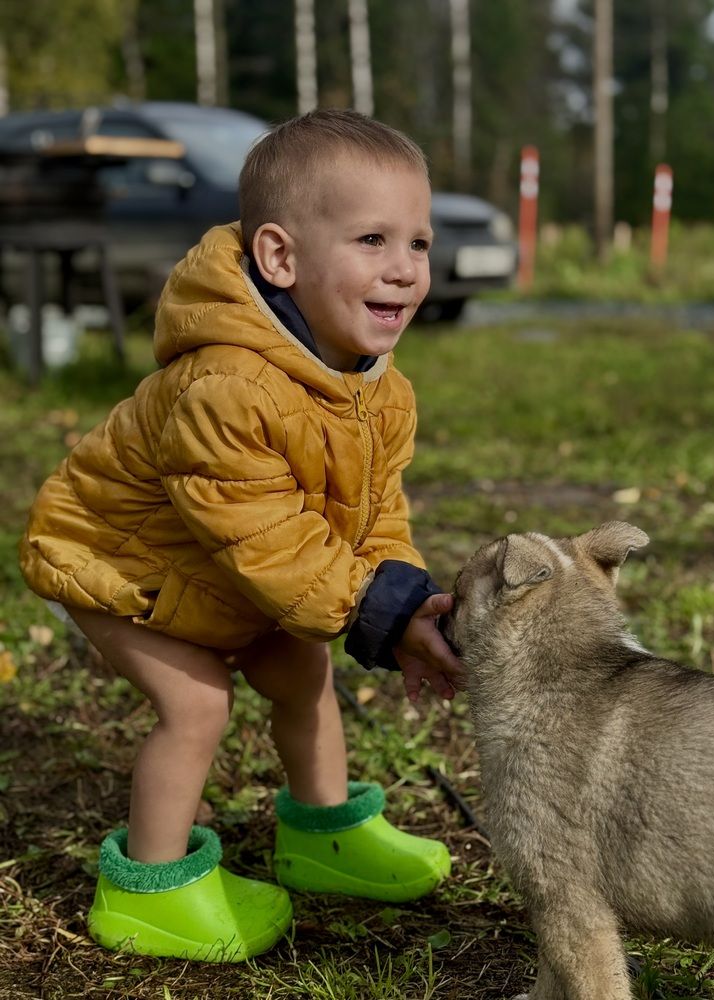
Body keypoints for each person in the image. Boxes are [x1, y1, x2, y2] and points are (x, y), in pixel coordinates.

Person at [19, 108, 464, 962]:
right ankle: (149, 891)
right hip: (117, 559)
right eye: (373, 240)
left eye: (419, 243)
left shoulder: (380, 390)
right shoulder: (224, 385)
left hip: (222, 572)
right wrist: (380, 609)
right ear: (279, 258)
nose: (405, 270)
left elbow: (377, 514)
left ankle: (323, 832)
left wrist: (405, 602)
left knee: (303, 667)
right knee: (198, 703)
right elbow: (265, 536)